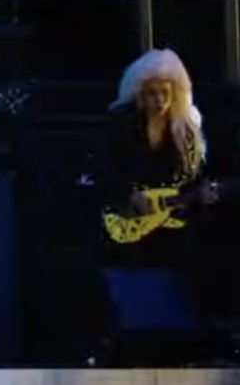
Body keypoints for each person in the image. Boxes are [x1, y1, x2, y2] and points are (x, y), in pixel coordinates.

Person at [92, 48, 220, 362]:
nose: (158, 100)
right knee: (134, 289)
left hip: (171, 226)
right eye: (151, 93)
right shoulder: (120, 126)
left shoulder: (186, 132)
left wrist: (201, 195)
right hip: (128, 222)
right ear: (139, 94)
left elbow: (194, 178)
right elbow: (100, 171)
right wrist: (129, 194)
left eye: (164, 93)